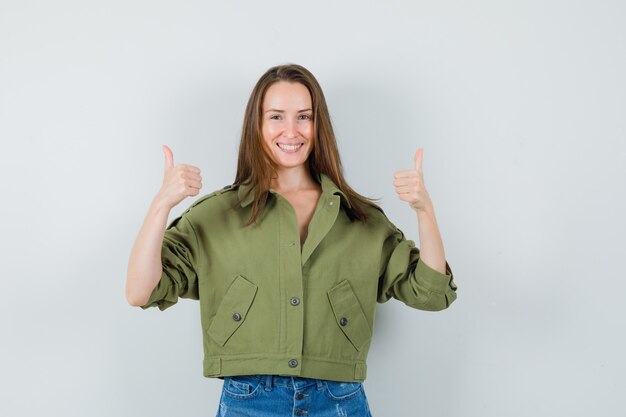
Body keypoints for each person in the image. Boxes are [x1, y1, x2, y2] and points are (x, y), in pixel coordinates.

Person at [125, 63, 458, 417]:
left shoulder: (359, 219)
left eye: (304, 117)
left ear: (319, 125)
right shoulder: (215, 216)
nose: (291, 131)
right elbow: (139, 291)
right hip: (249, 401)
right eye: (276, 117)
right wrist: (161, 204)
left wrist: (425, 211)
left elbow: (433, 293)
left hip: (339, 401)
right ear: (257, 124)